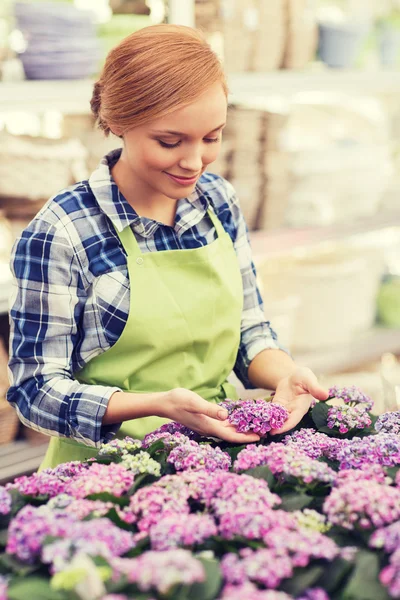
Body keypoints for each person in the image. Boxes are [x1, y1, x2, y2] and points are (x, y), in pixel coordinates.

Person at [7, 24, 329, 469]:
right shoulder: (63, 231)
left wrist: (285, 374)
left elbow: (249, 332)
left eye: (212, 137)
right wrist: (155, 404)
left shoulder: (218, 201)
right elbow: (34, 390)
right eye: (170, 141)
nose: (194, 161)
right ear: (118, 122)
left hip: (217, 458)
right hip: (105, 478)